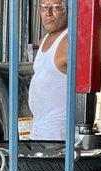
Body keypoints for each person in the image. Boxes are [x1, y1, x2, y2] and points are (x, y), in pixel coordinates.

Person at [29, 0, 68, 141]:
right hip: (39, 126)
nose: (48, 13)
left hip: (58, 132)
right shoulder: (44, 40)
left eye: (56, 7)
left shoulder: (70, 40)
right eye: (44, 7)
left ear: (67, 10)